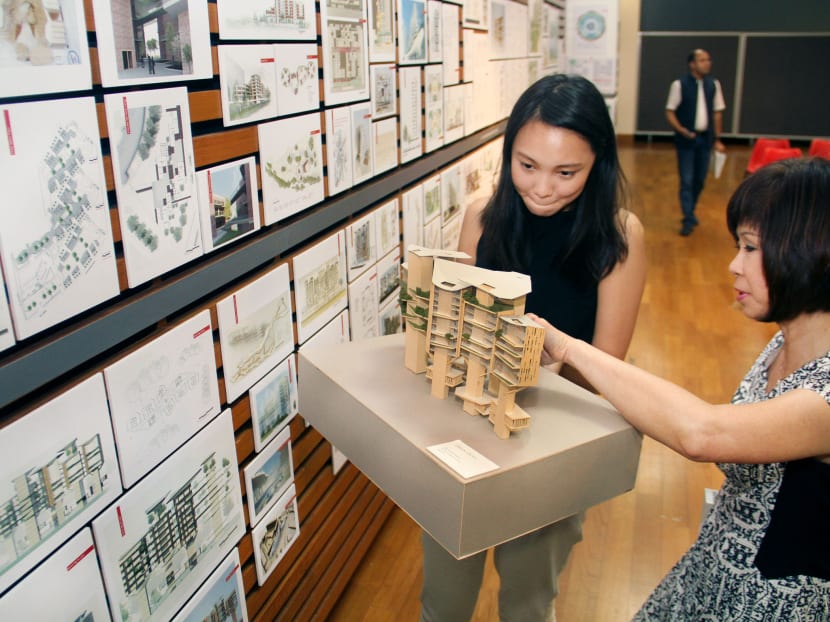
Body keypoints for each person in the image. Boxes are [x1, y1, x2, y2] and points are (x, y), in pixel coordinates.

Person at [531, 156, 830, 620]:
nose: (734, 265)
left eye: (751, 248)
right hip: (714, 569)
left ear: (809, 251)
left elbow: (704, 434)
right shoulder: (782, 342)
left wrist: (569, 348)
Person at [419, 73, 647, 622]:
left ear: (598, 165)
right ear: (508, 154)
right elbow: (457, 321)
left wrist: (535, 363)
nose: (544, 187)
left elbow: (604, 365)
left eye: (567, 172)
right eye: (527, 166)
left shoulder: (619, 235)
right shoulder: (482, 213)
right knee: (443, 598)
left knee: (527, 600)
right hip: (466, 431)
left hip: (553, 442)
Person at [665, 48, 726, 237]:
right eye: (702, 60)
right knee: (687, 179)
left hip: (705, 139)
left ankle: (690, 210)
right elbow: (670, 110)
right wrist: (681, 129)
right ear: (692, 64)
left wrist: (717, 138)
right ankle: (688, 217)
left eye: (708, 59)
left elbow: (717, 112)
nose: (707, 63)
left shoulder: (713, 85)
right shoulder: (679, 85)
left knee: (700, 179)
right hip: (686, 140)